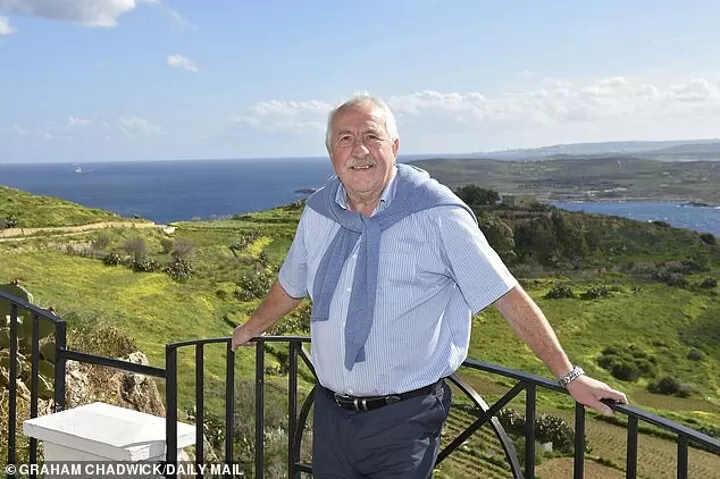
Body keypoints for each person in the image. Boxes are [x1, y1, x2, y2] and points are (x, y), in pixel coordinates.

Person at [231, 92, 628, 478]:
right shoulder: (319, 212)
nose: (359, 150)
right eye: (345, 138)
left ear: (394, 146)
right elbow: (292, 283)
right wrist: (252, 327)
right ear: (331, 152)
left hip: (404, 421)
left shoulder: (437, 213)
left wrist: (569, 376)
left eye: (372, 136)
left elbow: (505, 295)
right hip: (331, 416)